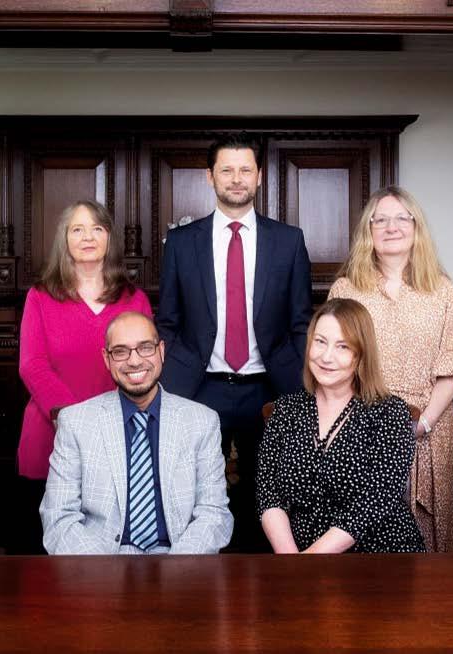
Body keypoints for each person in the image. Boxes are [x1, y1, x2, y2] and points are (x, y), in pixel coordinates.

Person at [156, 134, 312, 549]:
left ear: (259, 176)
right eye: (227, 170)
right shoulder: (182, 243)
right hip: (199, 386)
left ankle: (262, 579)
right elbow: (168, 321)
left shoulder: (289, 241)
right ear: (210, 177)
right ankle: (201, 577)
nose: (236, 178)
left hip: (270, 387)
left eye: (245, 170)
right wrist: (170, 381)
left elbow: (301, 323)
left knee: (269, 497)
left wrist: (300, 385)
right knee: (194, 495)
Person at [329, 186, 453, 552]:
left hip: (429, 426)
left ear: (416, 227)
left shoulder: (441, 290)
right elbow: (333, 364)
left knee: (428, 543)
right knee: (363, 530)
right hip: (362, 424)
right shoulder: (346, 289)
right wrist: (368, 426)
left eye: (400, 218)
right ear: (368, 230)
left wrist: (422, 423)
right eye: (380, 220)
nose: (391, 227)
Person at [17, 200, 152, 553]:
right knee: (42, 560)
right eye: (77, 229)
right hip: (49, 437)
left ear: (109, 237)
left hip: (119, 439)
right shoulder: (40, 296)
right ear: (64, 239)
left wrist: (98, 427)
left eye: (96, 228)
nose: (87, 237)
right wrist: (74, 421)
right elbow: (32, 364)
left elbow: (142, 365)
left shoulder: (134, 299)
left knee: (110, 556)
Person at [41, 312, 233, 554]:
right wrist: (105, 571)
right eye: (120, 351)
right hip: (101, 561)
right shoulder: (76, 423)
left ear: (161, 351)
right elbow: (59, 518)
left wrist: (177, 568)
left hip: (179, 559)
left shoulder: (201, 422)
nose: (134, 361)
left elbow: (213, 514)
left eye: (145, 348)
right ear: (106, 359)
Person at [256, 299, 424, 553]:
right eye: (320, 342)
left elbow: (374, 501)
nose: (326, 357)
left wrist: (308, 562)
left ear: (361, 355)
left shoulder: (390, 413)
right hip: (295, 556)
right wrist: (290, 560)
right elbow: (269, 494)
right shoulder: (285, 410)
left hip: (378, 556)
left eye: (342, 346)